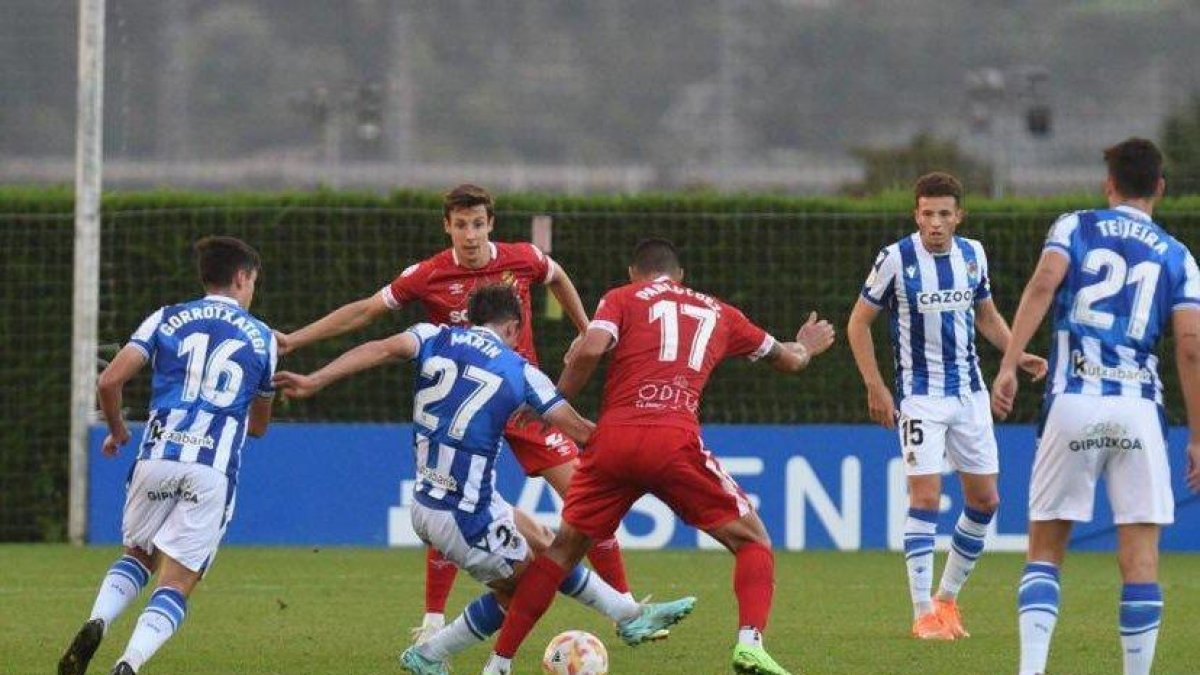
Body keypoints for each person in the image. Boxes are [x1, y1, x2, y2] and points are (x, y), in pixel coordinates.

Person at [273, 284, 690, 675]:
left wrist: (315, 379)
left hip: (431, 501)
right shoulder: (520, 371)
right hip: (465, 515)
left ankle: (629, 616)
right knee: (533, 585)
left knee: (546, 539)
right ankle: (430, 655)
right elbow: (580, 431)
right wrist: (646, 445)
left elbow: (379, 348)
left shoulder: (431, 336)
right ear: (512, 327)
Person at [278, 184, 632, 641]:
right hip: (466, 407)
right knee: (451, 496)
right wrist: (295, 340)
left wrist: (585, 332)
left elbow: (557, 275)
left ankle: (625, 604)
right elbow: (365, 313)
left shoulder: (521, 258)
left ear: (491, 224)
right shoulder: (428, 275)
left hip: (526, 406)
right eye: (460, 225)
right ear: (447, 226)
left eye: (478, 224)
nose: (469, 235)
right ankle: (432, 620)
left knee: (586, 496)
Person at [481, 238, 836, 675]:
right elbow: (789, 360)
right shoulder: (720, 311)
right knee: (752, 540)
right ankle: (749, 644)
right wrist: (807, 346)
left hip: (611, 442)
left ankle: (498, 663)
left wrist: (555, 402)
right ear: (680, 275)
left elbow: (591, 347)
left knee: (560, 553)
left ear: (634, 273)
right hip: (673, 440)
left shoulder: (621, 297)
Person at [992, 138, 1200, 675]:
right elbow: (1191, 348)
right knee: (1141, 560)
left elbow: (1043, 283)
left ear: (1109, 185)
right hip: (1138, 410)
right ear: (1159, 187)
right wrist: (1198, 436)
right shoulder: (1179, 256)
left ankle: (1031, 670)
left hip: (1073, 402)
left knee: (1045, 549)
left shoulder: (1075, 227)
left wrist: (1010, 364)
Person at [58, 237, 278, 675]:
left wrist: (118, 430)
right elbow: (257, 427)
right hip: (210, 469)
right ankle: (128, 664)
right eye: (253, 281)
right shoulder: (263, 336)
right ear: (241, 278)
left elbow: (108, 382)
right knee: (177, 583)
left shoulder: (167, 317)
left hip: (155, 457)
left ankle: (97, 619)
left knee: (137, 555)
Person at [846, 172, 1047, 640]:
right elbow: (858, 324)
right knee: (926, 498)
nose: (934, 223)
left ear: (959, 215)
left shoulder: (973, 254)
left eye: (943, 214)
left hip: (971, 395)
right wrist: (876, 387)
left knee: (986, 500)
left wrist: (1017, 354)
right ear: (916, 214)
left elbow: (987, 317)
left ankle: (947, 599)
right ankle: (921, 614)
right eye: (926, 213)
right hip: (921, 398)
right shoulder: (895, 259)